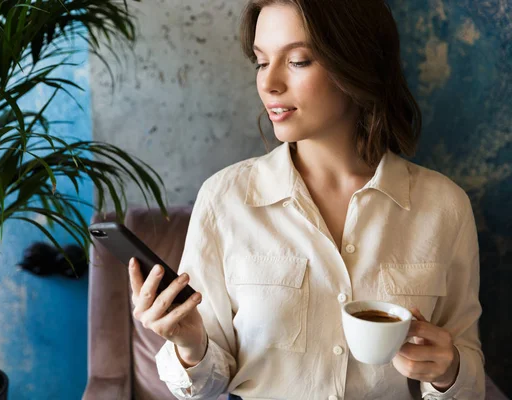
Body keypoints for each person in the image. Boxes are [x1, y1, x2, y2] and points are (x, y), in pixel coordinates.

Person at [128, 0, 484, 399]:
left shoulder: (444, 206)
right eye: (262, 62)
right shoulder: (224, 198)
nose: (269, 83)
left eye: (297, 61)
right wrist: (191, 345)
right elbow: (207, 388)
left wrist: (447, 370)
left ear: (357, 63)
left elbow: (468, 368)